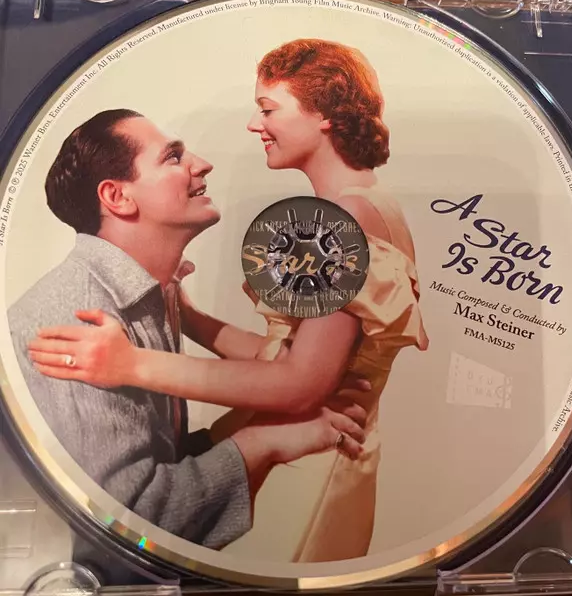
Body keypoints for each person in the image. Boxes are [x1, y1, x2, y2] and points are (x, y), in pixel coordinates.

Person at [28, 39, 429, 562]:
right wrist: (191, 318)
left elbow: (300, 383)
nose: (254, 124)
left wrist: (132, 364)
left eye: (268, 109)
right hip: (317, 449)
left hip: (307, 461)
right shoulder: (372, 204)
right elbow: (283, 357)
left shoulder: (342, 219)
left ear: (324, 115)